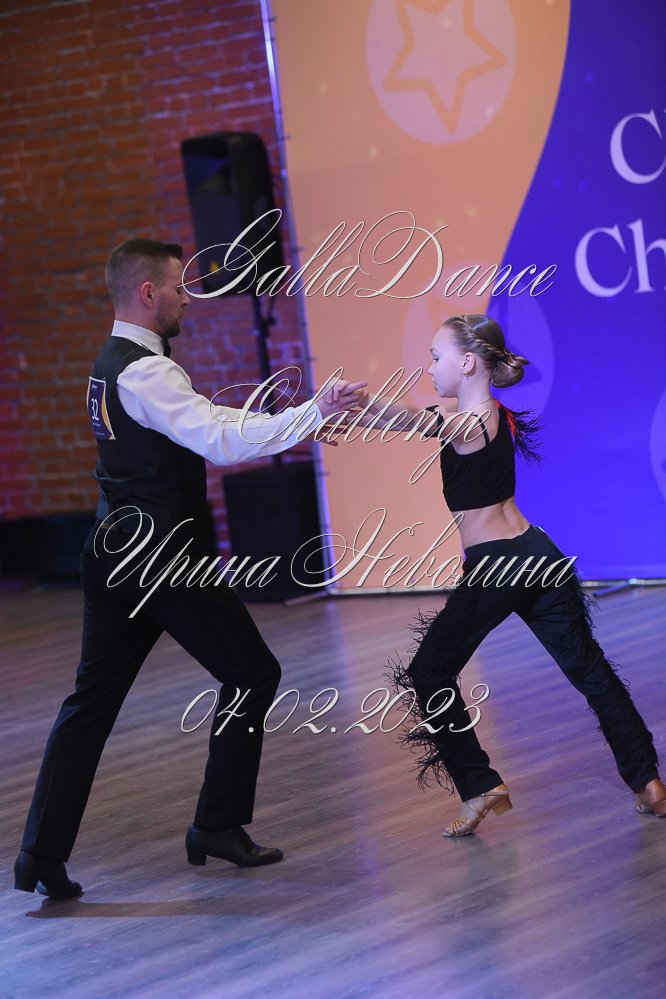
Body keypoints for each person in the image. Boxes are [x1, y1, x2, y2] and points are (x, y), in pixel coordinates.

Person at [14, 238, 366, 898]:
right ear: (148, 293)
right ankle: (216, 825)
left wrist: (296, 422)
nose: (187, 298)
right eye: (179, 287)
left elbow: (203, 423)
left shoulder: (111, 363)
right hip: (161, 560)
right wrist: (312, 411)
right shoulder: (146, 372)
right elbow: (218, 438)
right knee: (252, 672)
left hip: (112, 551)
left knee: (90, 703)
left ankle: (39, 853)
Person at [368, 313, 666, 837]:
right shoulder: (491, 414)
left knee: (429, 671)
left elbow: (411, 419)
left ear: (467, 363)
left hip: (498, 566)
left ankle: (479, 786)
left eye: (436, 357)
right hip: (537, 554)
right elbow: (406, 417)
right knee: (590, 671)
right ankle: (649, 782)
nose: (429, 367)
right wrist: (353, 410)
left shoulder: (470, 423)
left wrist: (362, 406)